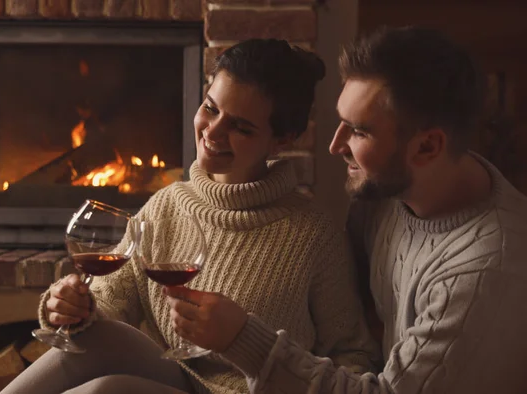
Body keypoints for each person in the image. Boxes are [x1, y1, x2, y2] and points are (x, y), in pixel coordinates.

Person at [1, 39, 380, 394]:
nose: (213, 131)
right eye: (210, 108)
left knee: (107, 390)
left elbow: (355, 359)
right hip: (178, 379)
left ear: (283, 140)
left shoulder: (314, 235)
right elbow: (107, 306)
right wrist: (70, 306)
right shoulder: (167, 205)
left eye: (241, 127)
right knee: (99, 345)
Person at [165, 26, 527, 394]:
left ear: (427, 147)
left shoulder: (483, 272)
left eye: (359, 131)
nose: (335, 145)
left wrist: (244, 339)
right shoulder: (385, 193)